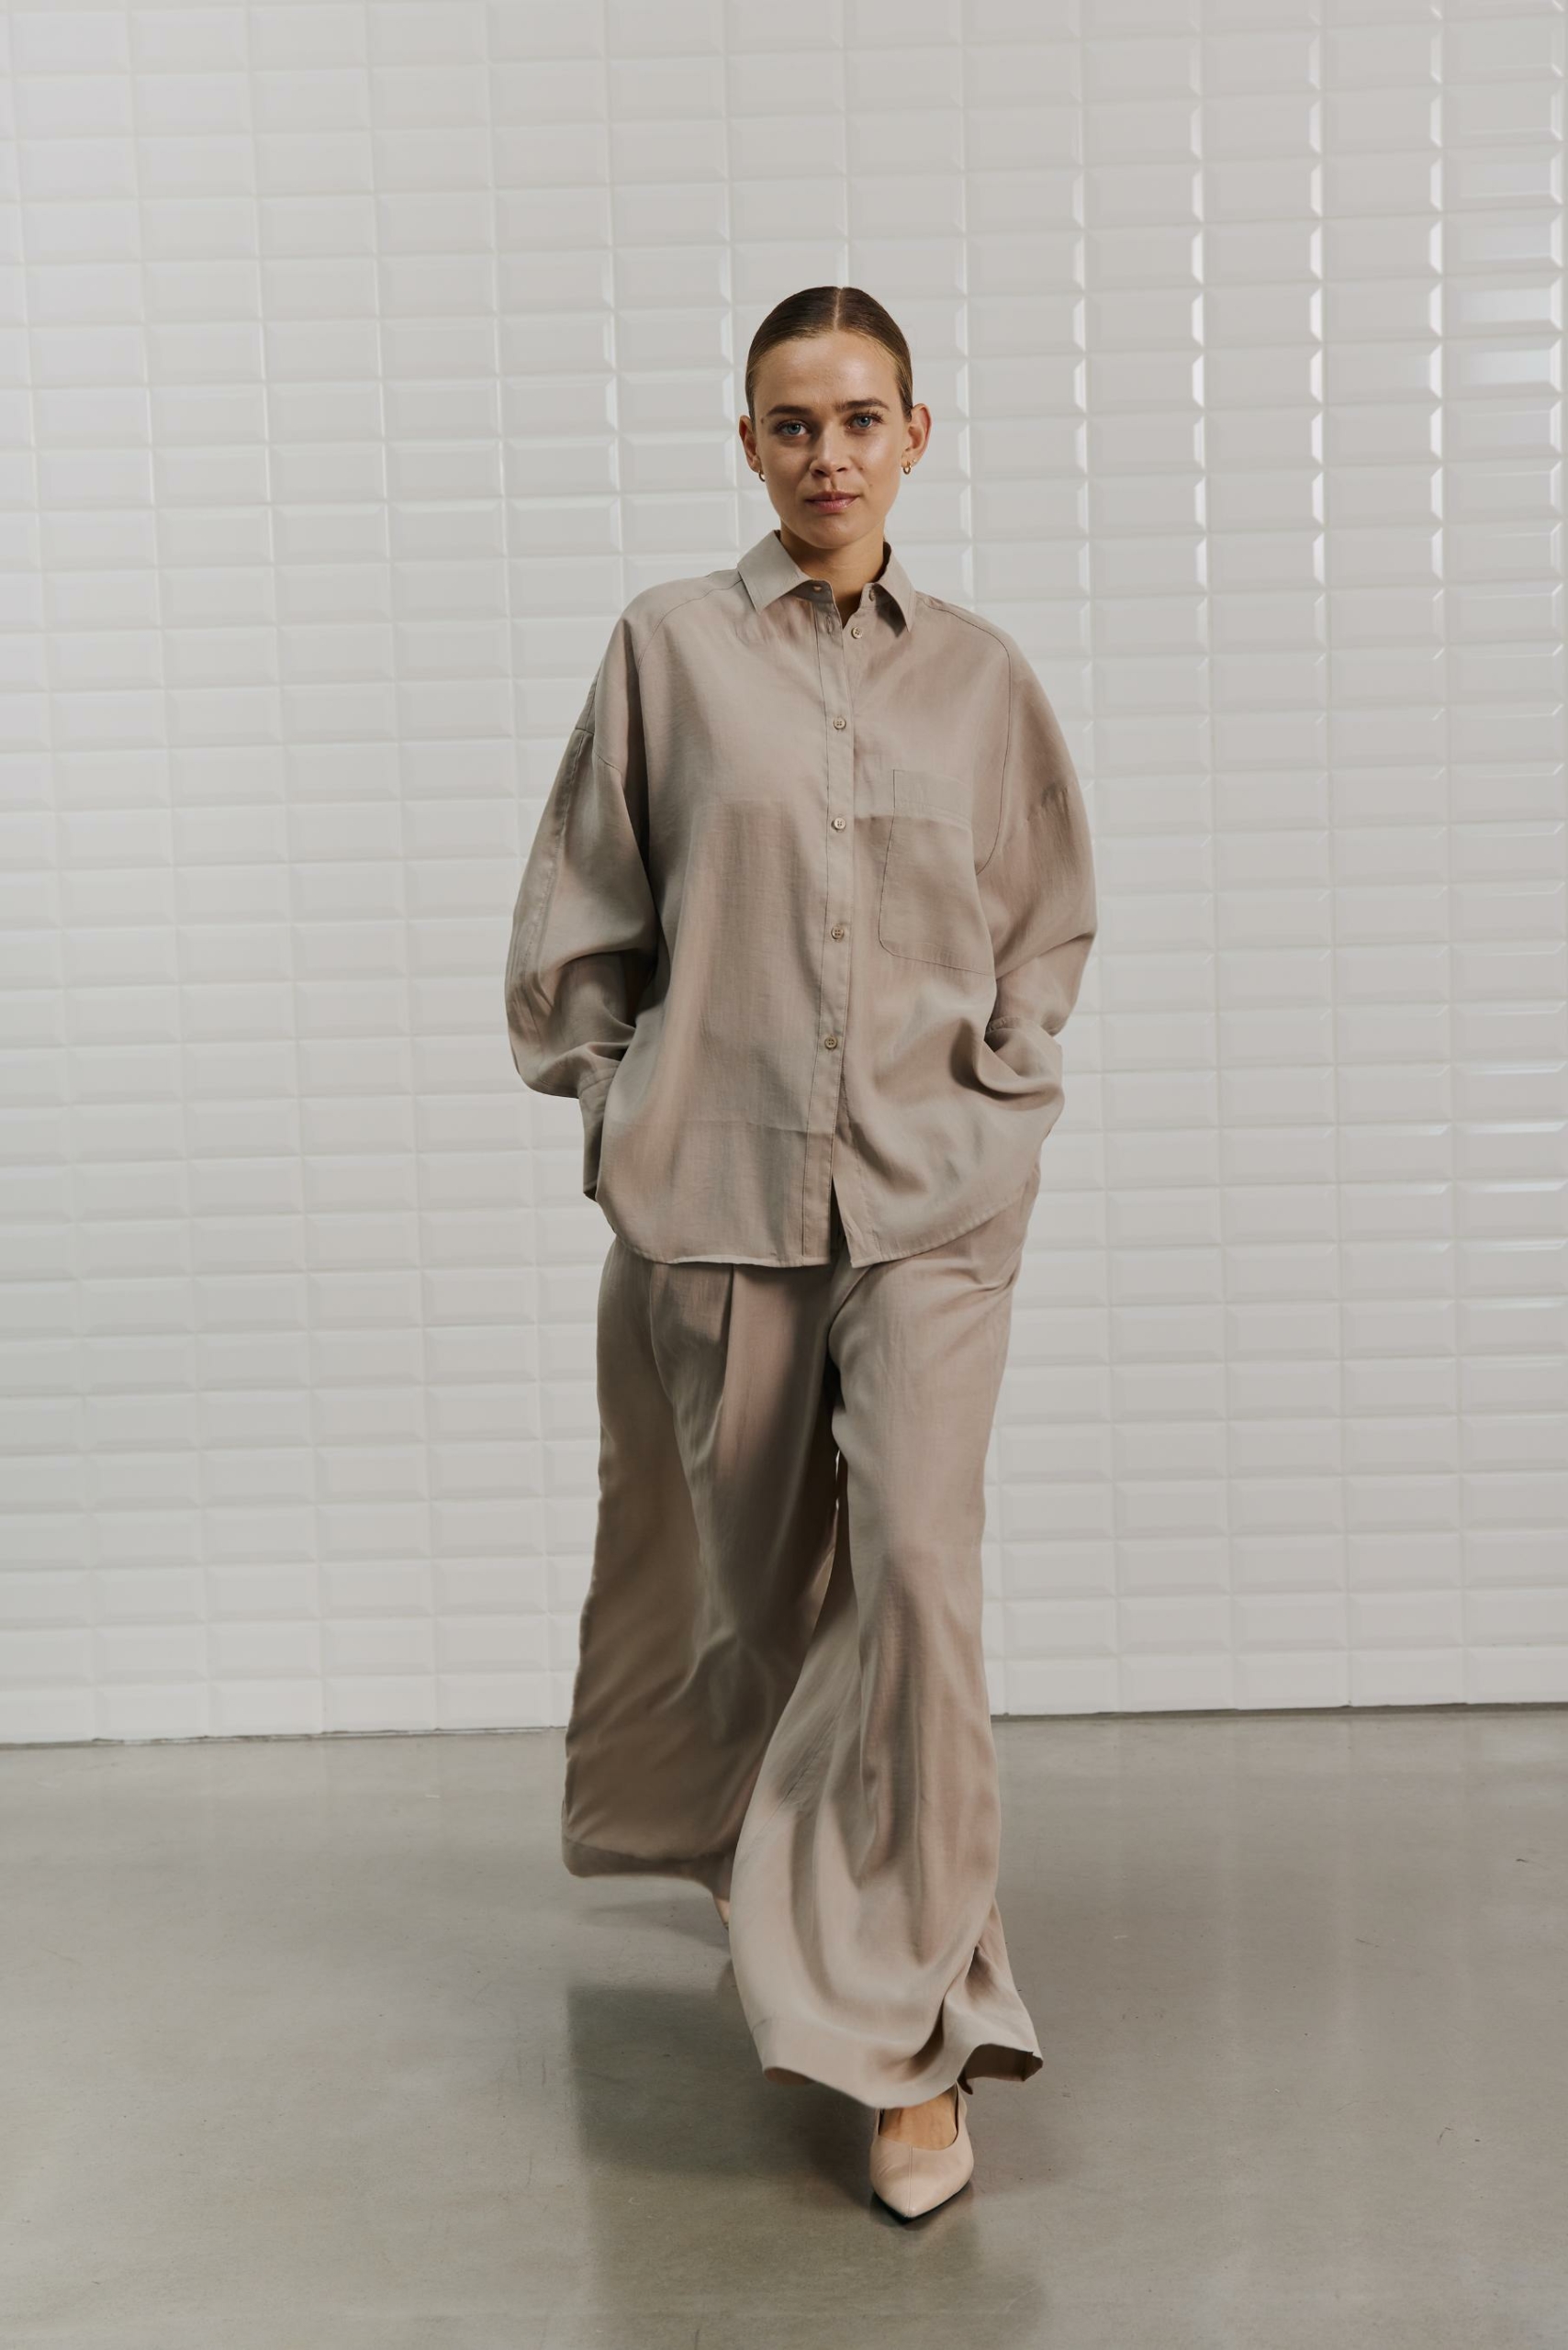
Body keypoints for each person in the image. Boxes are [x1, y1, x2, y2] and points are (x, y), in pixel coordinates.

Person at [503, 285, 1097, 2219]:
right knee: (765, 1618)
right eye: (790, 422)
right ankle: (799, 1896)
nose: (827, 453)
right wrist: (620, 1113)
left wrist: (1007, 1087)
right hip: (719, 1203)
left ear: (917, 434)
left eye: (858, 418)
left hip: (932, 1200)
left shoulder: (984, 681)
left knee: (912, 1579)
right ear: (748, 443)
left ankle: (919, 2040)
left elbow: (1044, 920)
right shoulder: (667, 651)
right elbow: (583, 917)